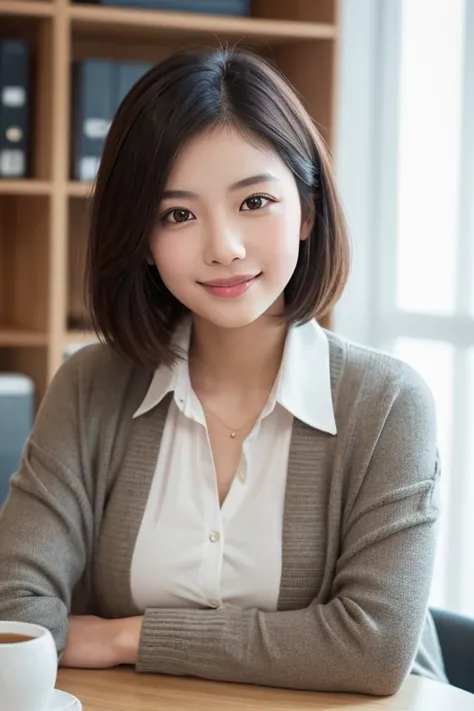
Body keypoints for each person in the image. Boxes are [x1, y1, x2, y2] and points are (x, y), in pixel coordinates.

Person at [0, 47, 447, 695]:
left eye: (255, 201)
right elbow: (16, 607)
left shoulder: (386, 403)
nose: (224, 247)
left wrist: (131, 634)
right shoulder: (91, 385)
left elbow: (370, 649)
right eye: (177, 214)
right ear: (143, 241)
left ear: (309, 212)